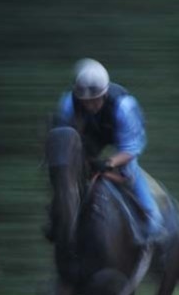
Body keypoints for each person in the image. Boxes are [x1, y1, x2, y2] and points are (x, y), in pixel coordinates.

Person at [53, 59, 167, 245]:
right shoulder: (68, 104)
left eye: (95, 100)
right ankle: (58, 223)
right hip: (87, 138)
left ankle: (152, 220)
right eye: (85, 101)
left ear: (104, 94)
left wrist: (108, 163)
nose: (89, 106)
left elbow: (131, 147)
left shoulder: (124, 106)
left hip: (119, 138)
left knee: (129, 173)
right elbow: (63, 139)